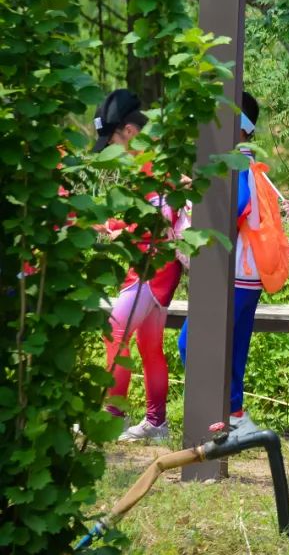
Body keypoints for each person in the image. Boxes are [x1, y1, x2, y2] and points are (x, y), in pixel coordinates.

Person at [94, 89, 190, 443]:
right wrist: (115, 226)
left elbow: (161, 219)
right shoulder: (149, 158)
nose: (111, 148)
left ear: (129, 132)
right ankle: (156, 422)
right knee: (150, 345)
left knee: (114, 332)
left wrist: (120, 231)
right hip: (156, 267)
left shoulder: (152, 160)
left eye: (112, 139)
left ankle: (113, 417)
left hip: (154, 267)